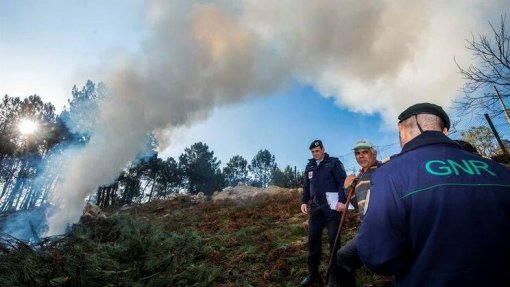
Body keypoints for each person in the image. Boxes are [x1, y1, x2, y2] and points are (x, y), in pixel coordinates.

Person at [357, 103, 510, 286]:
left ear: (401, 129)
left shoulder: (390, 174)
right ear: (444, 131)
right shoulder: (499, 170)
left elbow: (378, 254)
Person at [301, 139, 347, 287]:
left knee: (334, 242)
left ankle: (335, 276)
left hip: (332, 207)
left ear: (323, 149)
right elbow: (306, 186)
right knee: (313, 240)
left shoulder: (333, 163)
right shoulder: (310, 166)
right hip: (316, 208)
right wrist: (304, 201)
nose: (315, 153)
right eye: (313, 152)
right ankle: (313, 274)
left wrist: (342, 200)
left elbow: (342, 182)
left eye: (317, 150)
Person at [336, 140, 380, 287]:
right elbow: (357, 205)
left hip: (386, 227)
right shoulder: (359, 178)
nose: (361, 156)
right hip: (367, 229)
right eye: (357, 153)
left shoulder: (384, 169)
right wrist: (347, 188)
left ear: (373, 153)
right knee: (343, 256)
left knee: (396, 266)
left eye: (365, 152)